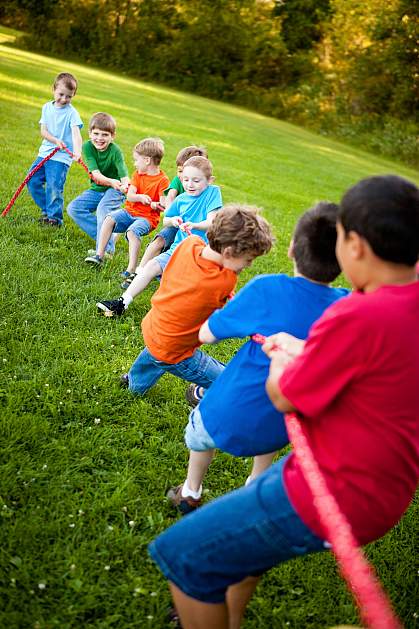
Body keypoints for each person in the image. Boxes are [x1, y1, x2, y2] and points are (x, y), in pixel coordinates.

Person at [148, 174, 419, 629]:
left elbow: (286, 396)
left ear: (353, 246)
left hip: (333, 488)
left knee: (183, 554)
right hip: (388, 489)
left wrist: (283, 362)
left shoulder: (359, 313)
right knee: (243, 550)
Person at [167, 202, 349, 514]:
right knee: (270, 441)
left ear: (292, 249)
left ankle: (190, 491)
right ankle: (253, 492)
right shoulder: (347, 308)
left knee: (199, 436)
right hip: (281, 421)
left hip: (226, 410)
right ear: (346, 261)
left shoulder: (267, 288)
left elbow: (206, 334)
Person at [119, 205, 274, 397]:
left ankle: (133, 384)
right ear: (228, 253)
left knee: (156, 350)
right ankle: (200, 394)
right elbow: (230, 314)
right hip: (177, 350)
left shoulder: (189, 244)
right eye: (248, 259)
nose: (248, 265)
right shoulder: (223, 280)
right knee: (226, 380)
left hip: (156, 325)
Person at [96, 156, 222, 316]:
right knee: (150, 267)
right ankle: (122, 303)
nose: (190, 184)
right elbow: (166, 220)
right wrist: (174, 221)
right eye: (186, 180)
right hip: (178, 249)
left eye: (196, 181)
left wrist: (195, 225)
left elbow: (212, 222)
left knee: (185, 289)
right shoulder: (181, 199)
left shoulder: (212, 193)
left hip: (201, 253)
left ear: (209, 180)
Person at [84, 138, 169, 277]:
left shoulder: (163, 181)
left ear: (147, 160)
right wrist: (140, 197)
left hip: (147, 218)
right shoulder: (137, 175)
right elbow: (130, 196)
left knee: (132, 231)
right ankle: (99, 255)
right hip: (129, 212)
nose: (135, 163)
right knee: (109, 219)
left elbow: (163, 205)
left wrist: (155, 204)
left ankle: (131, 270)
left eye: (137, 160)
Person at [67, 112, 129, 257]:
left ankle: (105, 250)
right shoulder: (88, 147)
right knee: (74, 208)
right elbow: (96, 175)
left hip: (116, 190)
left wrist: (125, 185)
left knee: (103, 210)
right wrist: (111, 182)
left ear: (112, 136)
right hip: (99, 188)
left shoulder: (116, 151)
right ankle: (109, 236)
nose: (99, 138)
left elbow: (124, 175)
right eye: (96, 133)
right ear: (89, 133)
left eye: (105, 135)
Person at [137, 145, 208, 272]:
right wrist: (170, 213)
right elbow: (170, 196)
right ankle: (139, 270)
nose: (182, 176)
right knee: (160, 240)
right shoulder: (177, 181)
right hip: (176, 222)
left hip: (192, 229)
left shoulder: (204, 188)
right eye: (180, 171)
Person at [27, 72, 83, 227]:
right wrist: (55, 140)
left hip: (61, 158)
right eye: (61, 94)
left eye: (69, 96)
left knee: (54, 186)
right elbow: (43, 131)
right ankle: (47, 210)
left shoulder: (72, 113)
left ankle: (54, 219)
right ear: (54, 89)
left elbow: (76, 135)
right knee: (32, 180)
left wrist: (77, 151)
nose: (64, 99)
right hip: (45, 153)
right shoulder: (46, 108)